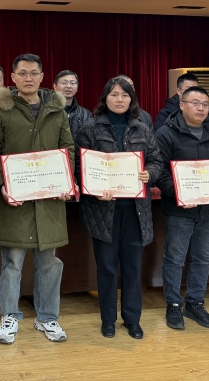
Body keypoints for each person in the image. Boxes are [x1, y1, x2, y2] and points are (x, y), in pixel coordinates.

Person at [0, 54, 74, 345]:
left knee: (49, 262)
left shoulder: (57, 110)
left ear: (42, 77)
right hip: (15, 200)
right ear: (12, 78)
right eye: (22, 73)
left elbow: (67, 148)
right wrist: (2, 185)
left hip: (49, 201)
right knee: (12, 262)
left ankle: (47, 317)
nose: (28, 78)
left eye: (33, 73)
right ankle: (9, 315)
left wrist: (67, 181)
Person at [74, 77, 162, 340]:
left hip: (136, 210)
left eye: (125, 95)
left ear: (131, 99)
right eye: (114, 94)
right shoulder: (89, 129)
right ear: (105, 98)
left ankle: (132, 320)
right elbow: (79, 167)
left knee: (133, 267)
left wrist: (149, 173)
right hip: (103, 211)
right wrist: (93, 188)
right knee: (107, 267)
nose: (119, 100)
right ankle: (108, 320)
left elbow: (156, 160)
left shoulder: (143, 128)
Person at [155, 86, 209, 330]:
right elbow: (160, 172)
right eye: (195, 103)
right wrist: (178, 192)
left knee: (203, 258)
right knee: (175, 258)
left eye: (205, 104)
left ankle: (195, 302)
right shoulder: (166, 133)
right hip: (180, 209)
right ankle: (173, 304)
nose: (201, 108)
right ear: (181, 104)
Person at [53, 69, 92, 139]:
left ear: (77, 88)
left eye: (73, 83)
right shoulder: (46, 110)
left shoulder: (86, 115)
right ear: (55, 86)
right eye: (64, 83)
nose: (69, 86)